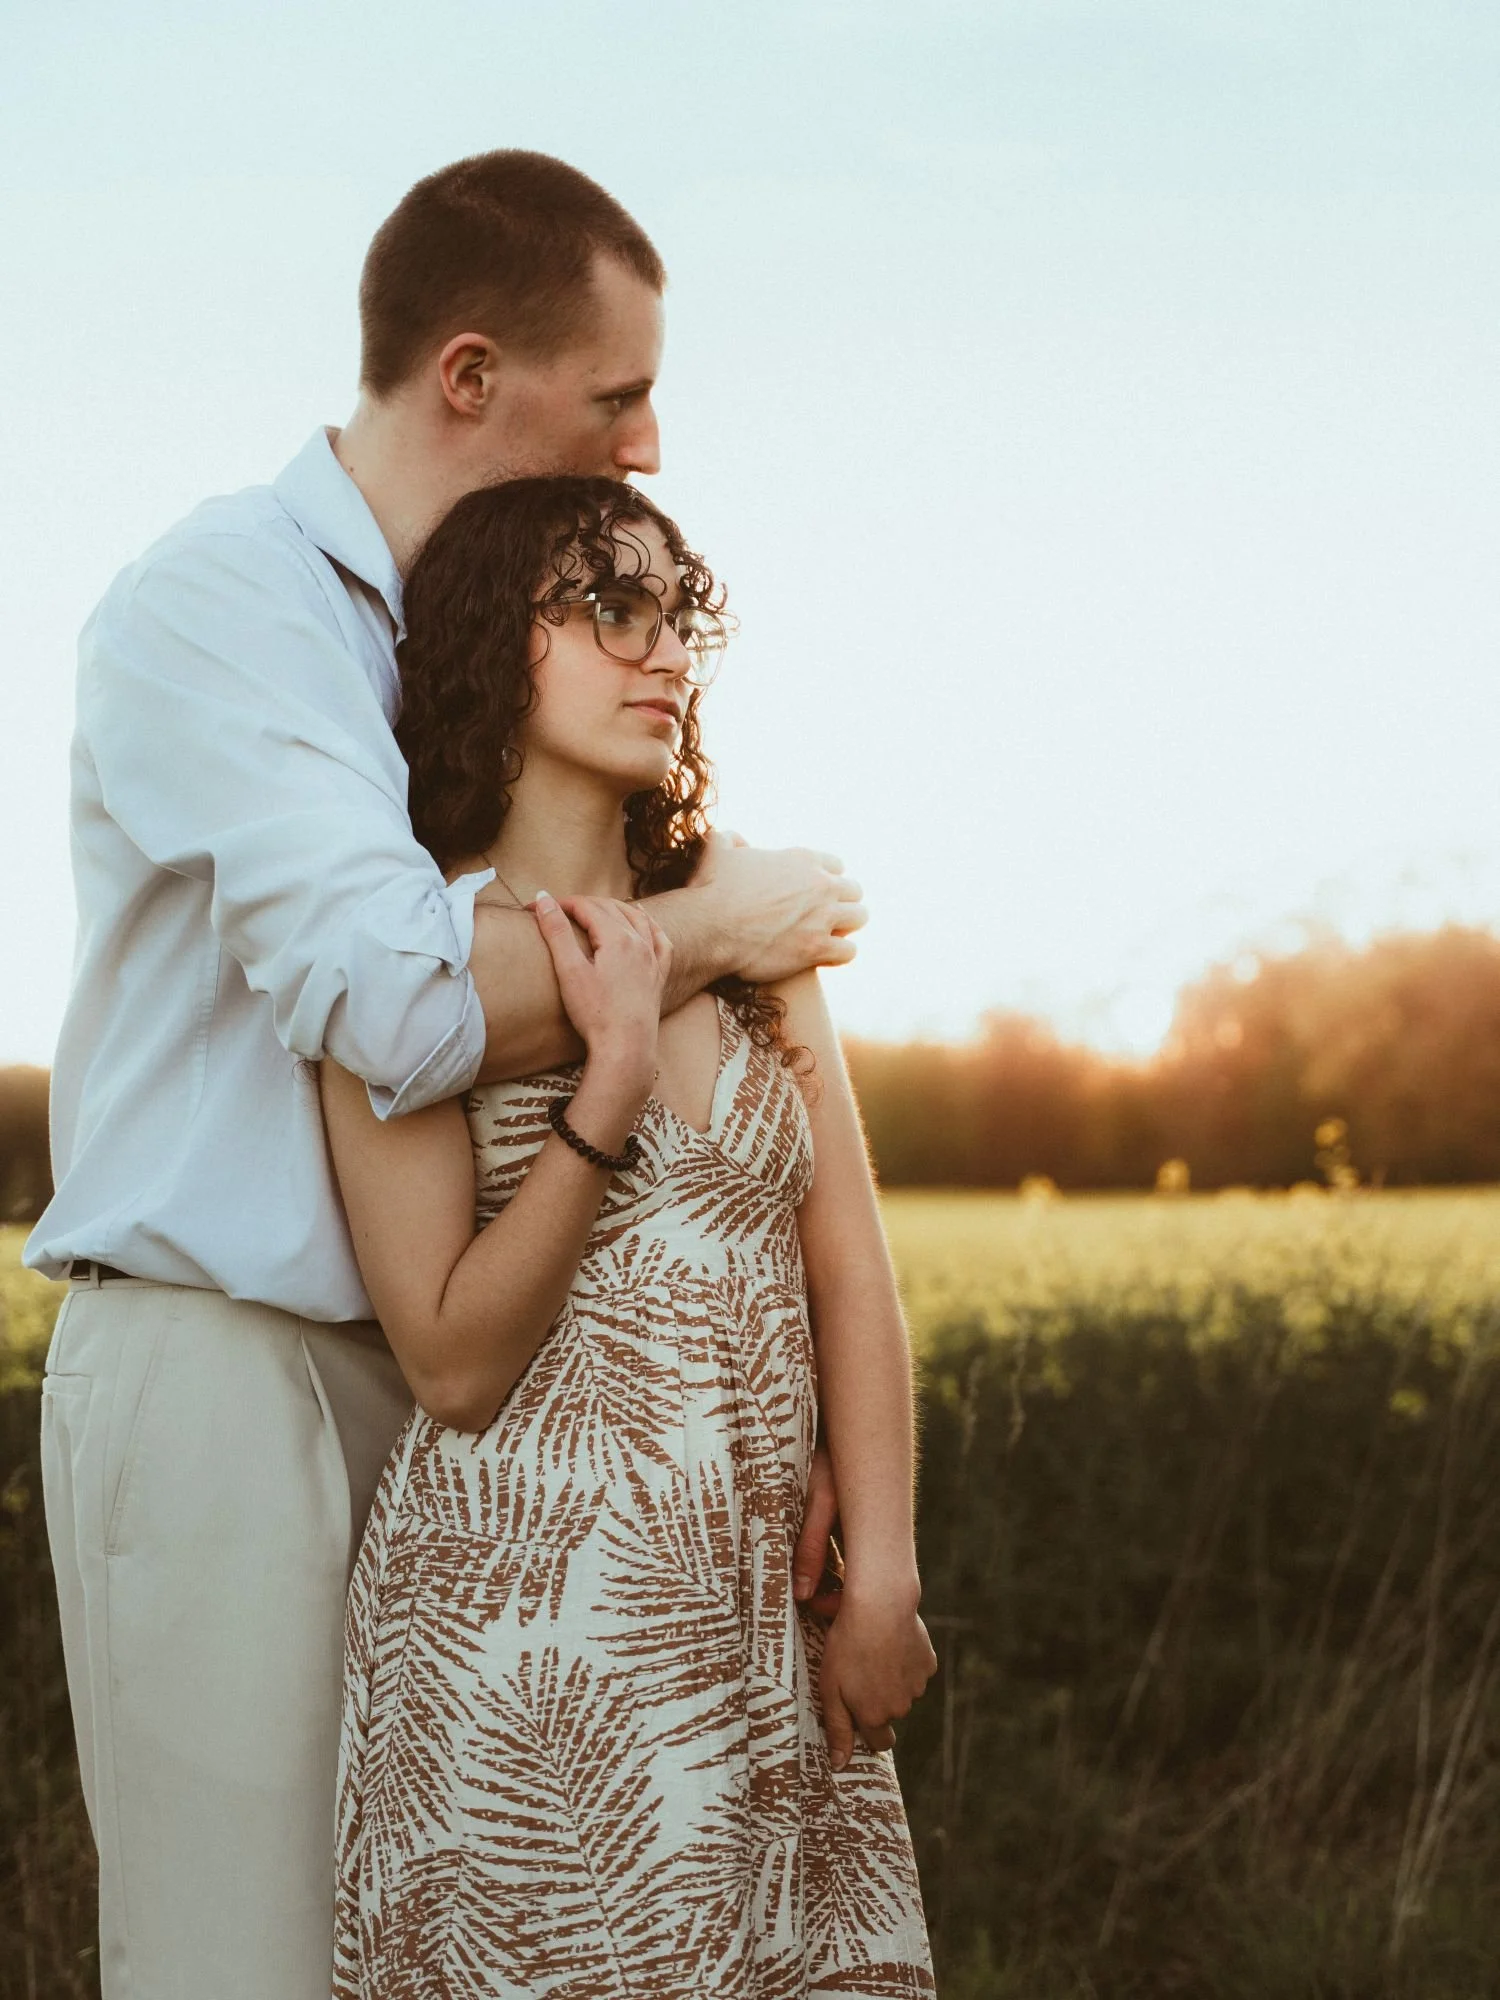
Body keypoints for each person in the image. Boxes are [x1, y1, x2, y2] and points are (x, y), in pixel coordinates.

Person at [25, 152, 863, 2000]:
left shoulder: (463, 653)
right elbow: (402, 1004)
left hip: (455, 1421)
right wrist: (717, 927)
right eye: (619, 393)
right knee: (243, 1965)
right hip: (229, 1362)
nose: (648, 444)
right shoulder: (228, 601)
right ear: (471, 376)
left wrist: (775, 1435)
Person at [322, 474, 937, 1996]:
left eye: (676, 616)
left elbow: (849, 1263)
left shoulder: (745, 917)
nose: (662, 650)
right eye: (609, 608)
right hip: (528, 1652)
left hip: (759, 1621)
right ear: (492, 639)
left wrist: (887, 1577)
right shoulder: (408, 967)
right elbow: (453, 1363)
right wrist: (603, 1082)